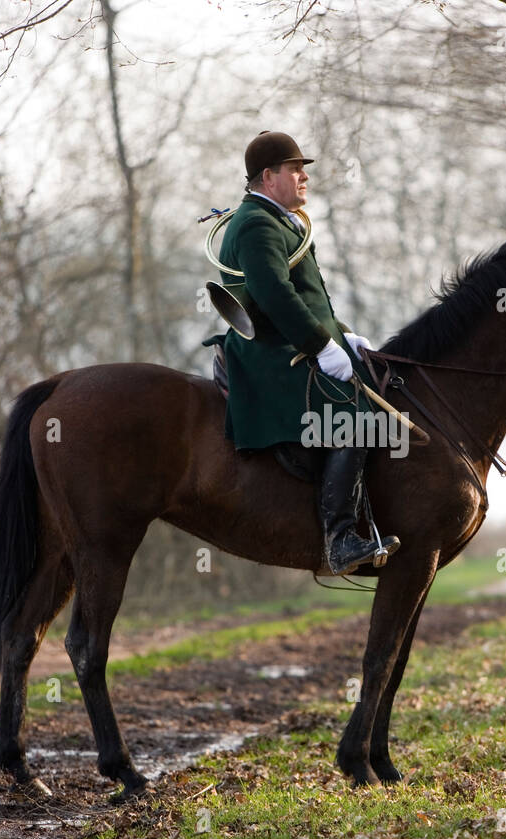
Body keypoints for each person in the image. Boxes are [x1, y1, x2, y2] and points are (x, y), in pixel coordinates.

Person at [215, 130, 400, 575]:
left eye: (303, 170)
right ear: (268, 176)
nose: (304, 178)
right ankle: (339, 540)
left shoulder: (280, 220)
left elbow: (309, 297)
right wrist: (320, 346)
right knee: (351, 417)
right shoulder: (258, 223)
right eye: (295, 169)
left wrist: (344, 335)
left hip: (293, 340)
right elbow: (275, 295)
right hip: (268, 350)